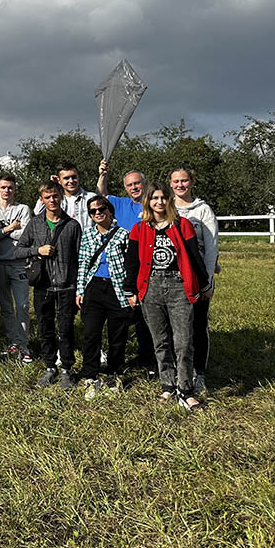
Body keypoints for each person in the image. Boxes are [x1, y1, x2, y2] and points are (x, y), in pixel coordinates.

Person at [123, 183, 209, 412]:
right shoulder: (139, 229)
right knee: (160, 341)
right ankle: (168, 385)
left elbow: (194, 255)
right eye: (154, 198)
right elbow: (132, 263)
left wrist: (203, 283)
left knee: (183, 341)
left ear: (169, 200)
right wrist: (130, 290)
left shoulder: (183, 225)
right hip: (150, 287)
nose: (159, 202)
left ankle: (186, 390)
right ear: (148, 202)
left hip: (179, 286)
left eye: (163, 198)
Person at [14, 181, 82, 389]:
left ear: (61, 196)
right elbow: (18, 251)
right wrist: (37, 250)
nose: (52, 200)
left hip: (66, 285)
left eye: (55, 196)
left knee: (66, 329)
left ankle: (67, 369)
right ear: (42, 200)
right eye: (47, 197)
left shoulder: (72, 225)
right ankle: (50, 366)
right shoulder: (35, 224)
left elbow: (80, 257)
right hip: (42, 285)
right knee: (45, 328)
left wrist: (78, 286)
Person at [96, 160, 154, 367]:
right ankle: (117, 356)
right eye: (129, 185)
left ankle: (148, 357)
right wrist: (103, 174)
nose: (134, 187)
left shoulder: (155, 203)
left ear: (144, 183)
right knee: (124, 313)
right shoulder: (120, 204)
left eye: (137, 183)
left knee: (147, 316)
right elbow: (101, 195)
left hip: (150, 267)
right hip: (124, 269)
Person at [75, 195, 131, 399]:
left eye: (101, 209)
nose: (97, 213)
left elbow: (131, 265)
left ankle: (113, 374)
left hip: (117, 288)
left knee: (117, 335)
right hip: (94, 288)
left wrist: (130, 292)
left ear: (109, 211)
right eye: (93, 211)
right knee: (91, 335)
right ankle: (90, 377)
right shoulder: (88, 235)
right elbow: (82, 264)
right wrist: (80, 290)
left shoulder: (123, 234)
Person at [170, 167, 219, 394]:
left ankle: (199, 373)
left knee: (198, 327)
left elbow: (211, 248)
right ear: (170, 184)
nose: (181, 185)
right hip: (172, 280)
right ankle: (179, 373)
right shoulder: (164, 207)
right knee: (176, 329)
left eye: (184, 180)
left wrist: (207, 281)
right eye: (176, 181)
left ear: (192, 182)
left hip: (198, 279)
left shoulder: (203, 210)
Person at [0, 173, 34, 363]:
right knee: (6, 307)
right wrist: (9, 228)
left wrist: (1, 231)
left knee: (22, 305)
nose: (7, 191)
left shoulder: (23, 209)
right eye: (3, 187)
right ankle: (13, 342)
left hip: (19, 262)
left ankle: (23, 345)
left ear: (15, 189)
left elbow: (25, 237)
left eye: (10, 187)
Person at [34, 163, 97, 231]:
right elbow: (38, 212)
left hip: (86, 240)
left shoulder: (91, 197)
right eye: (66, 178)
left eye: (74, 177)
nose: (71, 181)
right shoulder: (56, 199)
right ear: (59, 180)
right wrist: (52, 186)